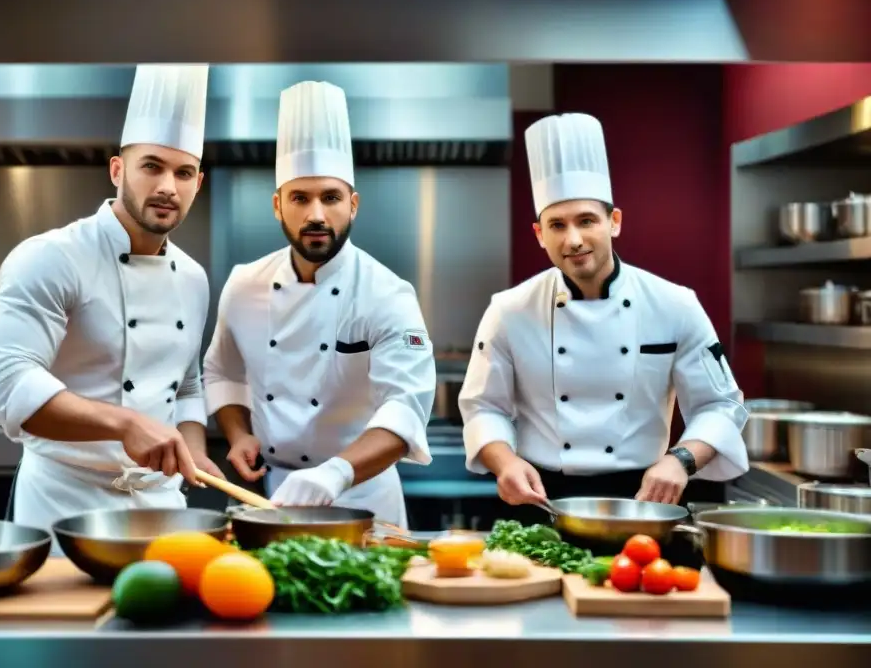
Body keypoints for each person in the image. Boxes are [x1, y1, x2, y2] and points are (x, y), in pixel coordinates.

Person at [459, 112, 749, 518]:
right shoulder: (509, 310)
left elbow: (721, 405)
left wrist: (680, 460)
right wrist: (505, 463)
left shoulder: (674, 304)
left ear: (614, 222)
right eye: (557, 225)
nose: (573, 239)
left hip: (644, 497)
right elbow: (483, 407)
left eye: (586, 221)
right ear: (540, 234)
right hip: (540, 497)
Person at [0, 64, 224, 539]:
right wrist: (125, 423)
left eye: (184, 172)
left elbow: (187, 385)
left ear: (199, 182)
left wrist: (191, 449)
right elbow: (5, 385)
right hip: (62, 505)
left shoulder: (193, 278)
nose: (167, 187)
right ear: (117, 170)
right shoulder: (52, 257)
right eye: (151, 166)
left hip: (161, 506)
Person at [201, 80, 435, 529]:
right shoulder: (244, 284)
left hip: (365, 494)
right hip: (277, 495)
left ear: (353, 205)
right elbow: (223, 371)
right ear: (276, 205)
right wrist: (238, 433)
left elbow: (405, 406)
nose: (315, 215)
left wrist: (337, 472)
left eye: (330, 197)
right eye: (299, 198)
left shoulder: (388, 293)